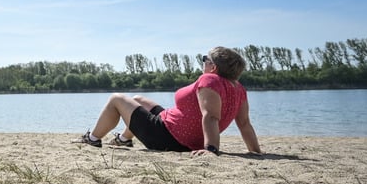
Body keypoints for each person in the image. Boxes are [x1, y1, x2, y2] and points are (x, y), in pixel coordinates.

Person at [76, 47, 262, 156]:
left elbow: (211, 116)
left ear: (213, 67)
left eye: (205, 59)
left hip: (168, 137)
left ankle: (92, 139)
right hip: (175, 128)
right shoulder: (238, 88)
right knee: (138, 100)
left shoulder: (209, 79)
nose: (203, 62)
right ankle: (124, 140)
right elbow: (244, 124)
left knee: (117, 98)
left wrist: (211, 150)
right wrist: (256, 153)